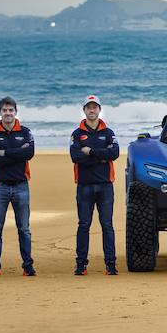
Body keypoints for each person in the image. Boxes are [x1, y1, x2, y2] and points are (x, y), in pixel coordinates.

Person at [0, 96, 36, 277]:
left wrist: (5, 153)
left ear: (16, 112)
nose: (8, 113)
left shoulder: (26, 132)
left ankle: (27, 265)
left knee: (24, 228)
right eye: (5, 110)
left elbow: (29, 153)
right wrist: (18, 153)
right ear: (0, 112)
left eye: (10, 110)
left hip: (21, 186)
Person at [70, 95, 120, 276]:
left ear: (99, 109)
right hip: (84, 186)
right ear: (84, 110)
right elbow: (76, 157)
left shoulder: (108, 133)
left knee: (107, 225)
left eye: (95, 107)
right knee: (84, 224)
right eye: (88, 107)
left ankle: (111, 264)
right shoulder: (77, 134)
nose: (92, 110)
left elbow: (114, 153)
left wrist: (90, 152)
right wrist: (101, 157)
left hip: (105, 186)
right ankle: (81, 265)